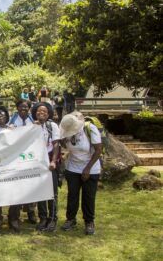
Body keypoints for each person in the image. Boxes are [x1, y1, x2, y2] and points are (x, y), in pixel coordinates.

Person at [59, 112, 102, 235]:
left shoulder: (89, 129)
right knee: (72, 195)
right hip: (73, 167)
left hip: (91, 167)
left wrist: (87, 169)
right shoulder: (65, 132)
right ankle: (70, 219)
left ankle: (89, 221)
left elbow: (99, 150)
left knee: (88, 196)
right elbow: (65, 146)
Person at [31, 103, 60, 232]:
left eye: (44, 111)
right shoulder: (32, 126)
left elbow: (56, 144)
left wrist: (53, 161)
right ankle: (43, 218)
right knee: (41, 191)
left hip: (49, 161)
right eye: (38, 111)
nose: (41, 113)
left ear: (48, 114)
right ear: (35, 113)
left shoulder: (52, 126)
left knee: (52, 192)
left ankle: (53, 218)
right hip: (37, 162)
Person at [7, 100, 38, 226]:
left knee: (31, 185)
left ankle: (31, 212)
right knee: (17, 187)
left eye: (26, 107)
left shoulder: (33, 121)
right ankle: (14, 216)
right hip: (16, 158)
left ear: (29, 109)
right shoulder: (11, 121)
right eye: (21, 107)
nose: (23, 109)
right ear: (17, 108)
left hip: (30, 157)